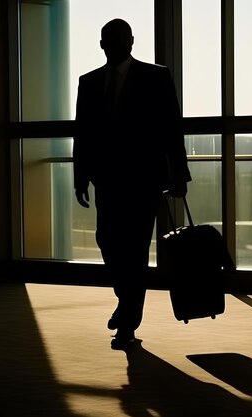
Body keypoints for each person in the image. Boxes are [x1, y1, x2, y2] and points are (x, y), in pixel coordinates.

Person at [73, 18, 191, 350]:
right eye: (109, 39)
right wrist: (81, 177)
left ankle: (127, 324)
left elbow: (172, 130)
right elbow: (82, 133)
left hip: (143, 182)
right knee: (108, 242)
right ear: (102, 44)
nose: (113, 45)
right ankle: (126, 302)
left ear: (131, 42)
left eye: (119, 38)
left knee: (135, 251)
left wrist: (178, 176)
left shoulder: (156, 77)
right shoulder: (90, 82)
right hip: (107, 181)